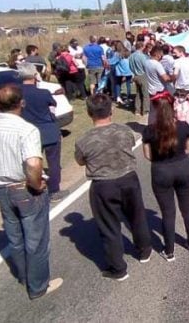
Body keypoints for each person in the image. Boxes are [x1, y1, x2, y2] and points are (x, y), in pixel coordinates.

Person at [0, 83, 63, 299]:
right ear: (22, 103)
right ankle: (38, 286)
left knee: (15, 237)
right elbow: (34, 164)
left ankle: (24, 276)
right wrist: (36, 184)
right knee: (36, 239)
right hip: (24, 188)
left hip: (1, 189)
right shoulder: (26, 129)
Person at [75, 94, 152, 281]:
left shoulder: (84, 139)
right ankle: (144, 251)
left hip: (103, 184)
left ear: (89, 113)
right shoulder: (124, 130)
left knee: (109, 226)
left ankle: (118, 268)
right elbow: (133, 142)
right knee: (137, 216)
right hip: (128, 179)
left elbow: (80, 160)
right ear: (112, 110)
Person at [142, 92, 189, 261]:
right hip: (182, 168)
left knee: (168, 212)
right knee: (187, 208)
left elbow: (148, 156)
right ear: (173, 107)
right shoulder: (183, 126)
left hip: (161, 171)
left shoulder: (149, 131)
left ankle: (169, 251)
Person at [17, 63, 66, 202]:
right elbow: (52, 107)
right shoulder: (43, 93)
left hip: (28, 133)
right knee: (54, 162)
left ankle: (34, 187)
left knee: (31, 162)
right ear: (34, 75)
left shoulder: (16, 93)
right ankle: (54, 191)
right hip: (48, 131)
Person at [128, 41, 150, 116]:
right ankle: (145, 110)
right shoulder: (142, 56)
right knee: (145, 94)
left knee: (138, 93)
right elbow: (145, 66)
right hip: (142, 75)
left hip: (135, 75)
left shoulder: (131, 56)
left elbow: (130, 66)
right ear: (142, 47)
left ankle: (137, 110)